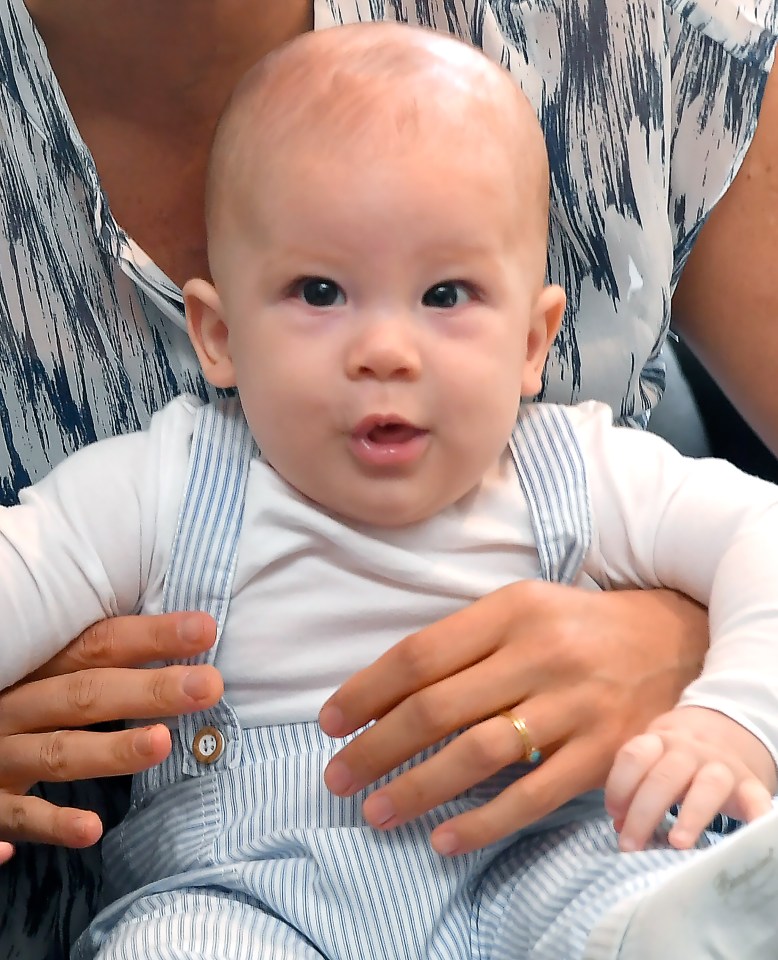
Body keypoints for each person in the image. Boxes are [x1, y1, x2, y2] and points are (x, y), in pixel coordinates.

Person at [1, 2, 777, 957]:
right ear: (218, 336)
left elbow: (763, 539)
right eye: (318, 293)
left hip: (549, 857)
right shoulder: (161, 482)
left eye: (446, 295)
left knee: (650, 898)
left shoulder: (574, 467)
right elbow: (19, 575)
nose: (384, 350)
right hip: (258, 890)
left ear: (534, 342)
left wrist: (732, 713)